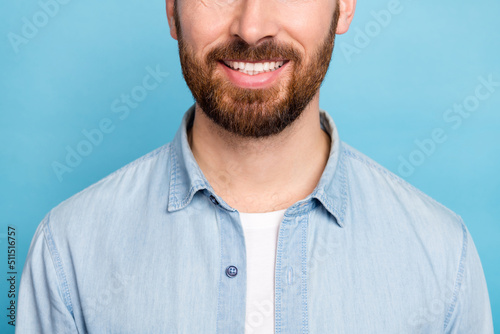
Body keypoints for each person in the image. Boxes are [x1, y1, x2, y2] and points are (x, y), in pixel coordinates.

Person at [16, 0, 494, 333]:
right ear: (171, 9)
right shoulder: (69, 251)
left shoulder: (442, 256)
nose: (251, 26)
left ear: (344, 5)